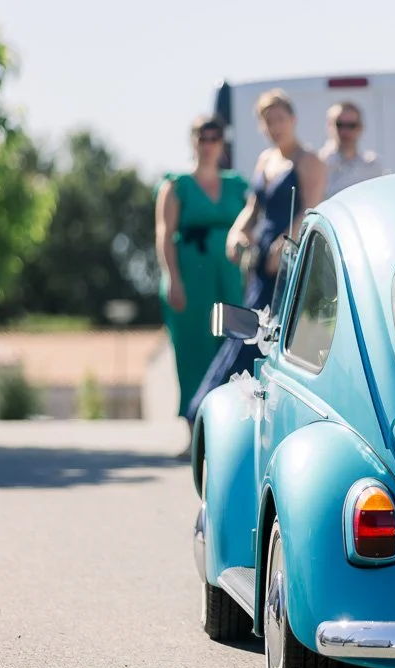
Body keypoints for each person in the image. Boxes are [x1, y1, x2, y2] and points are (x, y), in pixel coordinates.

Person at [184, 89, 327, 421]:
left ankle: (215, 414)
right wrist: (237, 232)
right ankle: (207, 414)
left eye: (279, 118)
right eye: (267, 121)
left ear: (292, 119)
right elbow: (252, 208)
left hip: (291, 263)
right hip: (261, 263)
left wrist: (286, 244)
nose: (275, 126)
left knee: (262, 339)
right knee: (244, 332)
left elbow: (310, 208)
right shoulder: (266, 160)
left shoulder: (309, 161)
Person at [154, 115, 248, 457]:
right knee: (193, 351)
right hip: (190, 278)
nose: (208, 143)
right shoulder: (175, 185)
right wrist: (172, 279)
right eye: (202, 137)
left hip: (231, 276)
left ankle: (228, 435)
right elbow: (164, 234)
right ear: (193, 140)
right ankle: (195, 436)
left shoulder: (238, 185)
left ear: (222, 142)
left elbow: (253, 225)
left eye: (214, 137)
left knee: (233, 348)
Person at [318, 101, 386, 198]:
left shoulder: (372, 166)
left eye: (351, 125)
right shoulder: (318, 165)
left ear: (361, 128)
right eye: (339, 124)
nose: (345, 131)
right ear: (329, 126)